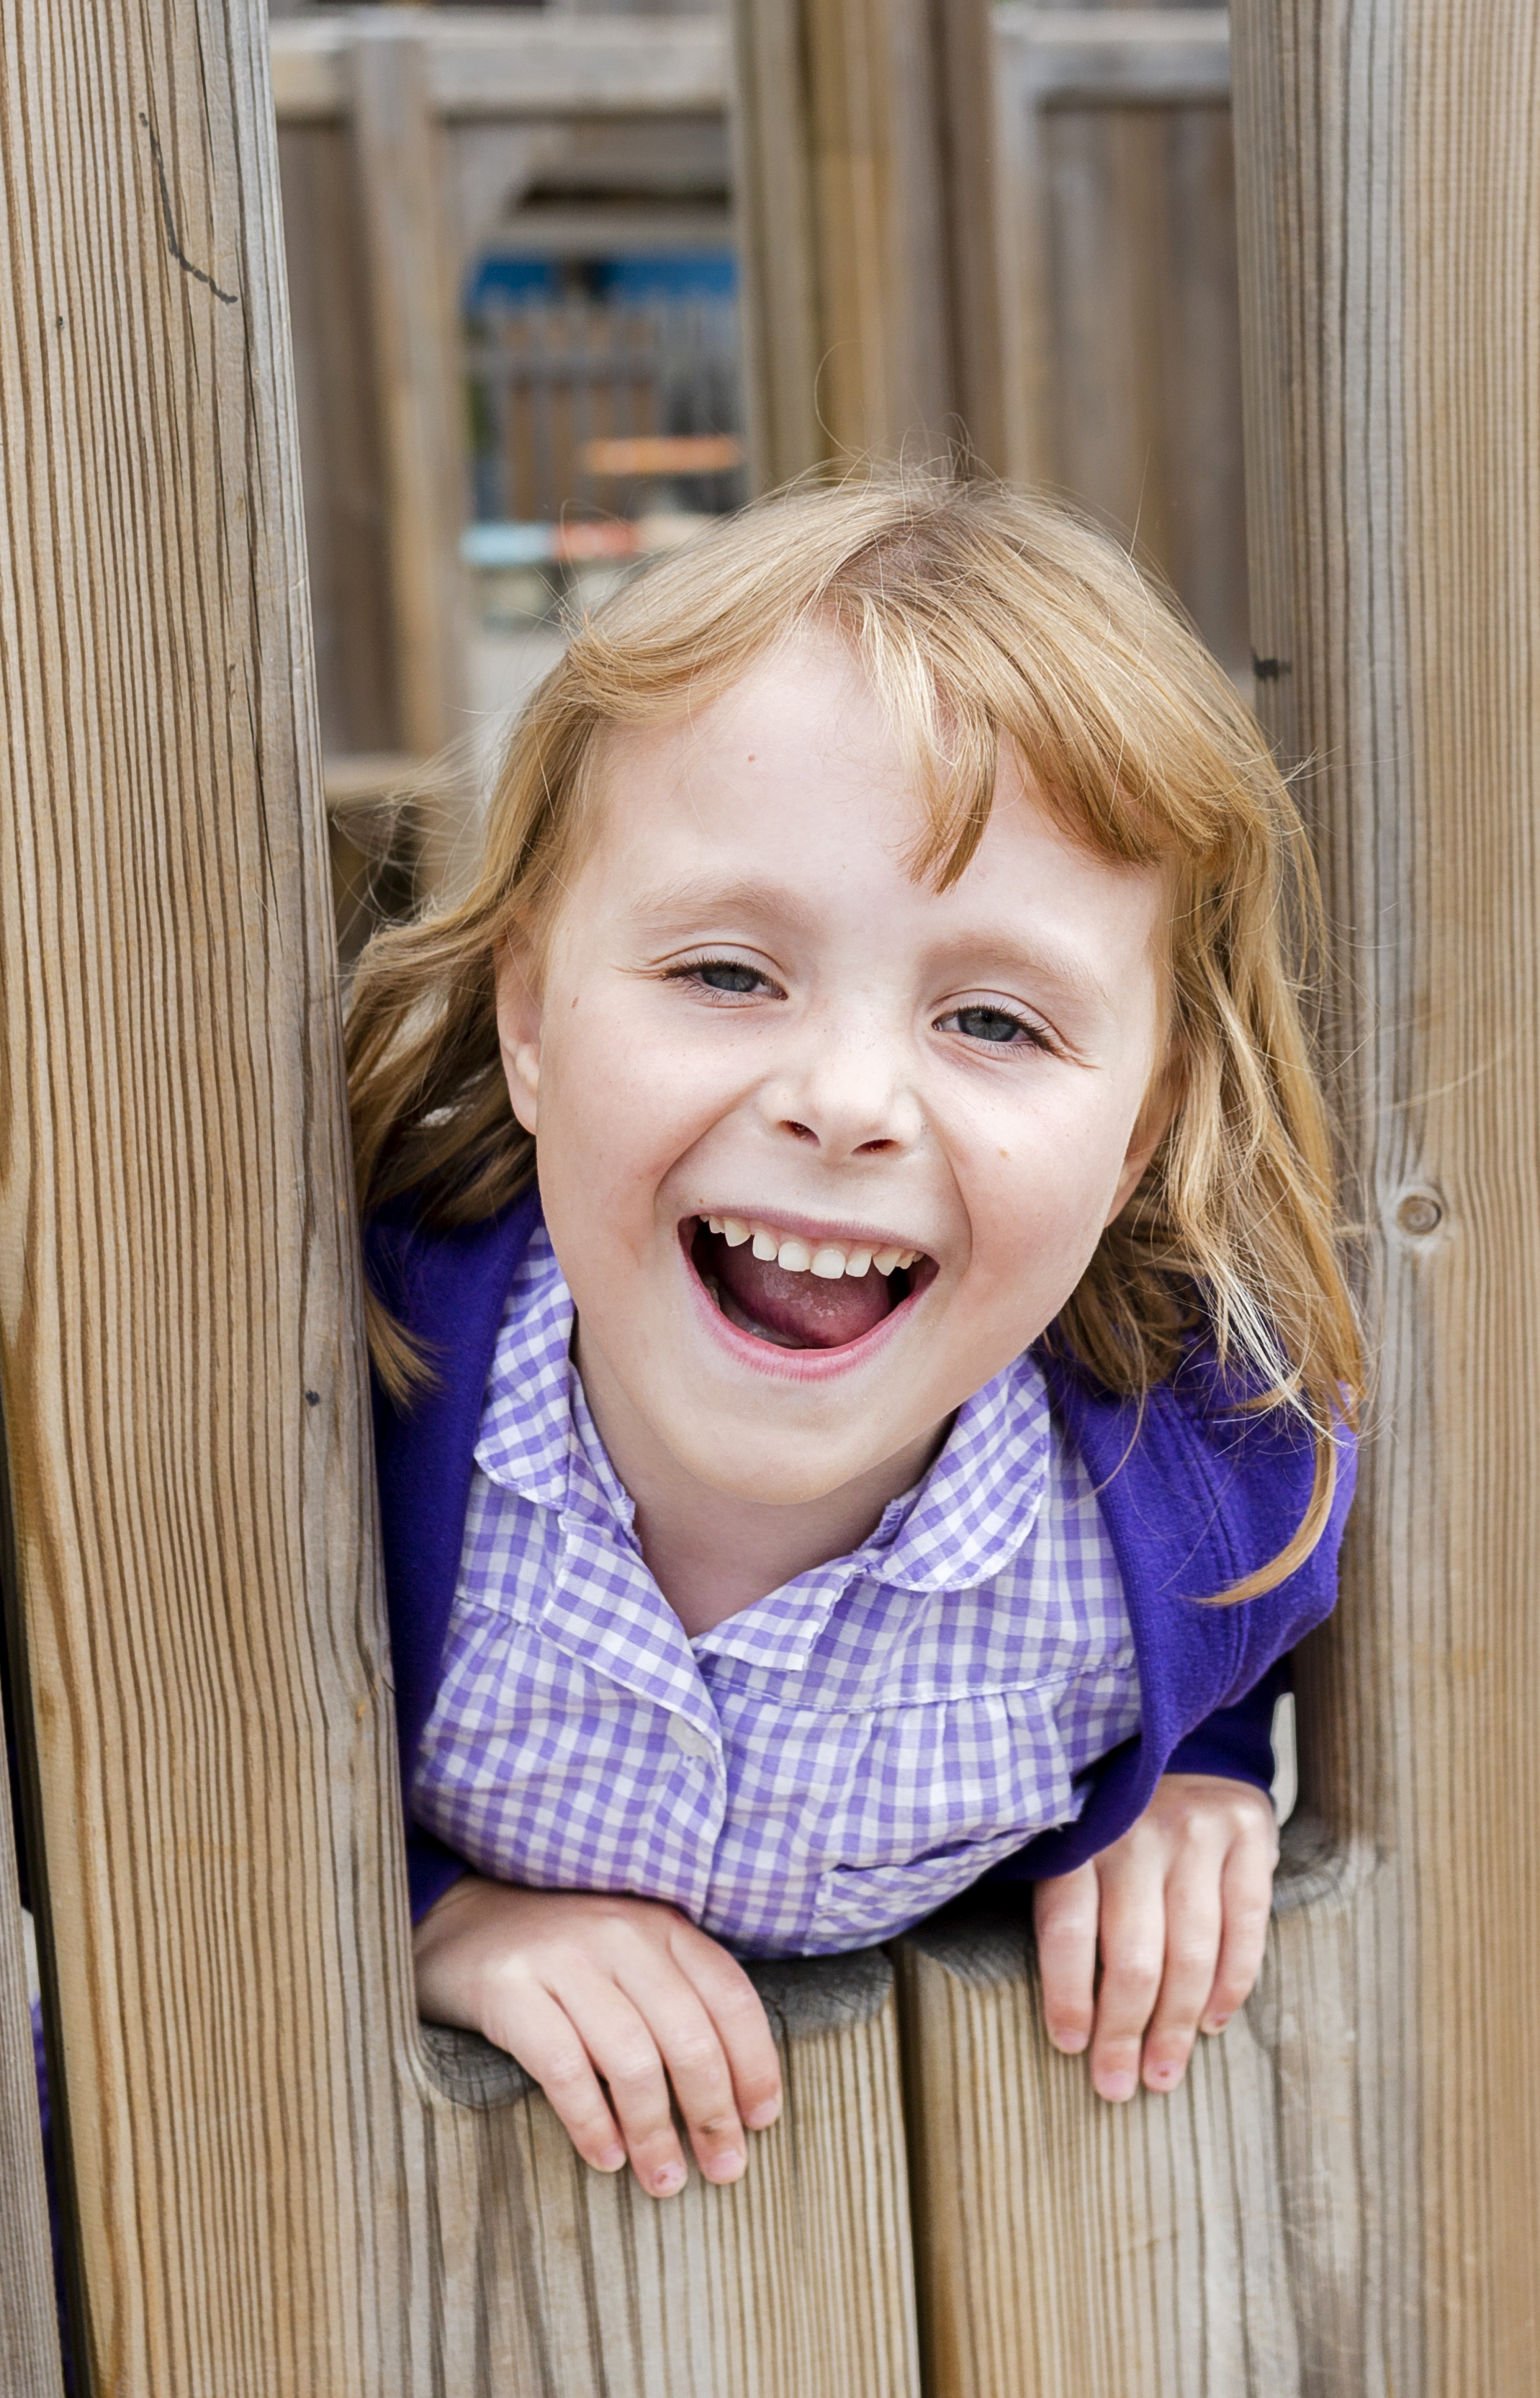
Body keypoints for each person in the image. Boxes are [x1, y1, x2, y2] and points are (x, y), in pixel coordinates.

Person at [344, 467, 1359, 2199]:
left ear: (1137, 1131)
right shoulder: (357, 1423)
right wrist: (432, 1923)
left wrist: (1190, 1778)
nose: (844, 1101)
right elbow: (136, 1786)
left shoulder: (1199, 1523)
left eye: (993, 1018)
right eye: (729, 973)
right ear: (528, 1014)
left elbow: (1256, 1659)